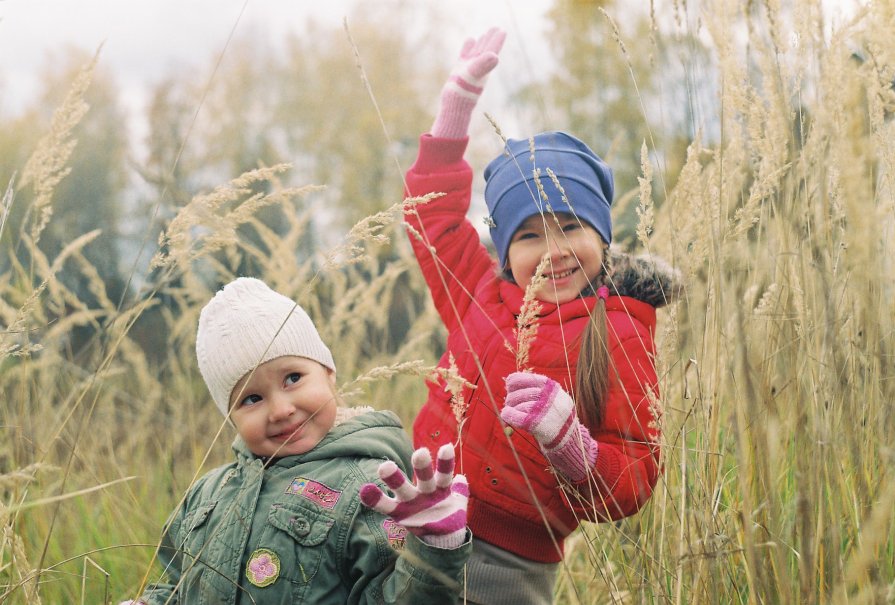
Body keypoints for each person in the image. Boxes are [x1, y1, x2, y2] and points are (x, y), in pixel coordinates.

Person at [403, 28, 681, 604]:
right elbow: (431, 219)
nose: (553, 249)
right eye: (530, 235)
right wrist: (455, 110)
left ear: (604, 237)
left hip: (510, 561)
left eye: (571, 227)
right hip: (417, 517)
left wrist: (569, 444)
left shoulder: (621, 328)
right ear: (504, 251)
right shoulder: (476, 291)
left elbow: (633, 474)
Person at [120, 277, 471, 605]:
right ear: (229, 417)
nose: (280, 410)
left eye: (292, 378)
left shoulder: (370, 489)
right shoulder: (204, 495)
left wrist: (433, 550)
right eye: (251, 399)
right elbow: (173, 586)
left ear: (329, 374)